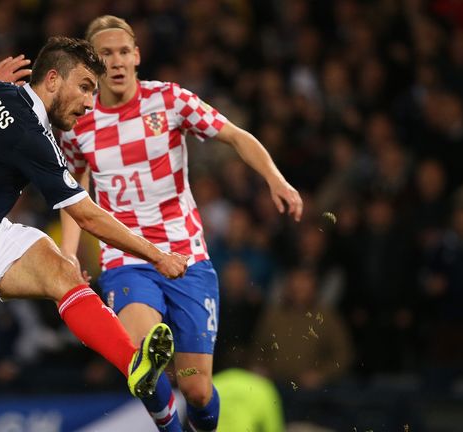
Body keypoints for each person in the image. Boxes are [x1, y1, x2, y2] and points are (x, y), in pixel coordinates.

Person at [0, 37, 189, 431]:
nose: (90, 103)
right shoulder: (28, 133)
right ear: (52, 79)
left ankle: (133, 363)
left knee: (63, 272)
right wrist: (156, 255)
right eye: (85, 87)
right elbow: (86, 215)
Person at [58, 16, 303, 432]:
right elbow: (73, 190)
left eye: (123, 52)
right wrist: (67, 252)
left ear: (136, 56)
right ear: (93, 64)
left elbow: (236, 135)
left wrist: (275, 179)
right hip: (126, 257)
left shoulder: (169, 100)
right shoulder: (80, 119)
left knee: (198, 391)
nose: (116, 61)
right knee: (144, 364)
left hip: (187, 256)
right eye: (105, 54)